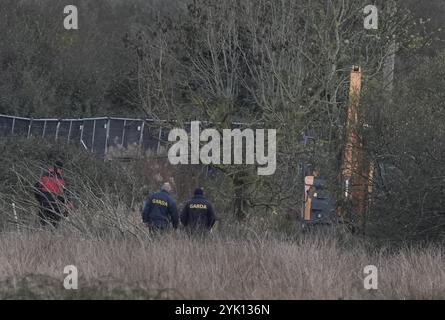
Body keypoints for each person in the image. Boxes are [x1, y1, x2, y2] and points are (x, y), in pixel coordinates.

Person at [34, 161, 72, 228]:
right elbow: (68, 195)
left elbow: (36, 188)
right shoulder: (63, 180)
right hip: (57, 206)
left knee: (43, 225)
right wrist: (67, 210)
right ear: (60, 169)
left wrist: (39, 200)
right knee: (55, 227)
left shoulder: (44, 175)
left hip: (44, 204)